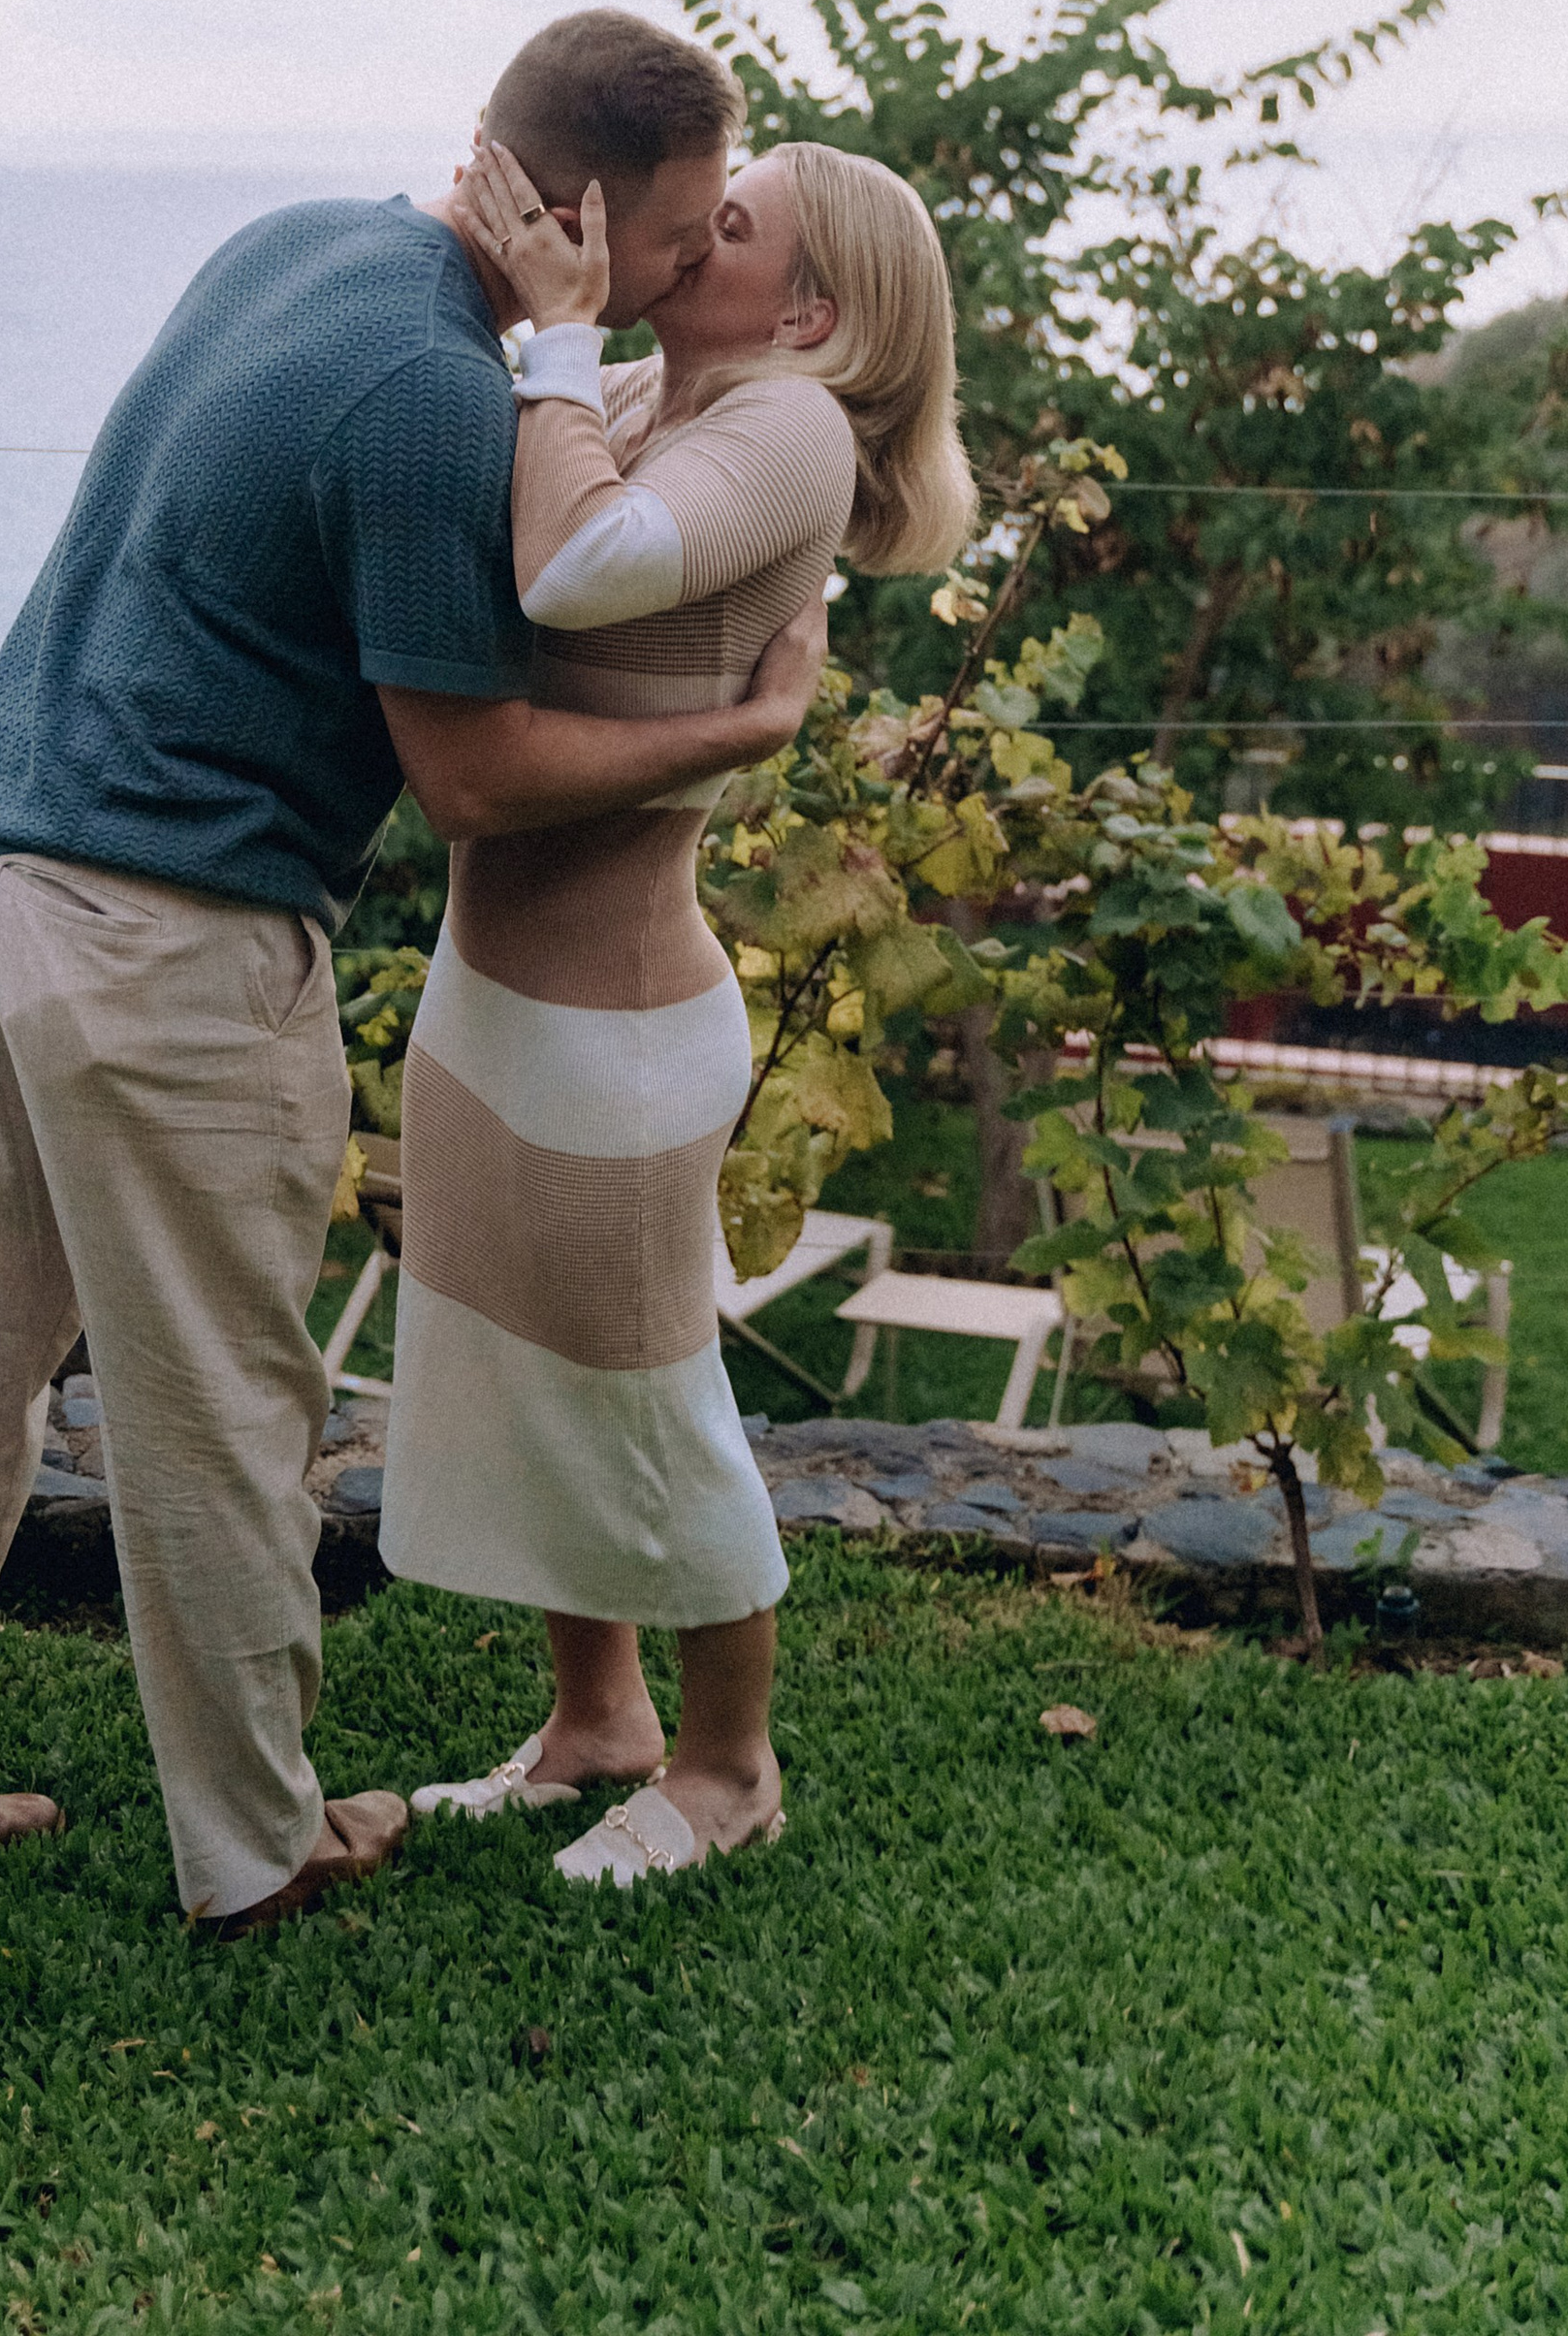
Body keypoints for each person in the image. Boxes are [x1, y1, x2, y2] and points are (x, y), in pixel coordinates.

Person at [0, 10, 838, 1935]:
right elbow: (467, 779)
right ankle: (256, 1854)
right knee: (223, 1414)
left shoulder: (292, 242)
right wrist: (733, 735)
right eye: (680, 242)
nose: (694, 279)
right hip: (154, 930)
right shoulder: (432, 398)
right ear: (576, 220)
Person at [380, 133, 974, 1887]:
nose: (682, 235)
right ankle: (596, 1722)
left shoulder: (789, 429)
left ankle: (727, 1764)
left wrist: (553, 342)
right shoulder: (656, 386)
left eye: (728, 225)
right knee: (521, 1366)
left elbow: (577, 572)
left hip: (620, 1024)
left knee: (646, 1392)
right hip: (498, 988)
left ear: (812, 305)